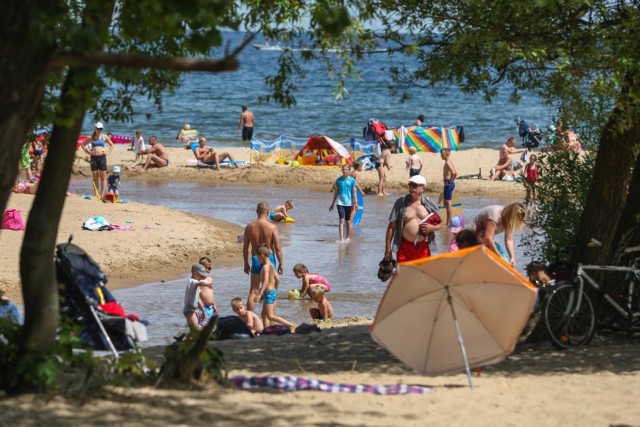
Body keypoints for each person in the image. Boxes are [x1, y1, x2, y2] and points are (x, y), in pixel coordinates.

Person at [384, 175, 442, 263]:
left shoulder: (430, 203)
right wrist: (388, 249)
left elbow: (441, 224)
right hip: (404, 248)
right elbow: (392, 226)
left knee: (422, 276)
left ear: (423, 188)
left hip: (424, 247)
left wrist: (432, 228)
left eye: (415, 185)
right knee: (403, 275)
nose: (411, 187)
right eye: (410, 184)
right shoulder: (400, 203)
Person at [242, 201, 284, 312]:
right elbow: (278, 248)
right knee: (271, 289)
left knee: (253, 290)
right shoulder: (272, 227)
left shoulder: (249, 227)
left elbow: (245, 248)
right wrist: (281, 264)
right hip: (268, 259)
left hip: (255, 258)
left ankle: (250, 317)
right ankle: (270, 317)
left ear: (257, 211)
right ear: (268, 212)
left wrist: (246, 263)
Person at [471, 203, 526, 267]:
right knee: (498, 259)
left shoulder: (510, 221)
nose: (515, 222)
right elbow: (488, 238)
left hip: (485, 239)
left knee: (505, 261)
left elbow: (509, 239)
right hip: (473, 236)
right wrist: (498, 256)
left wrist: (512, 257)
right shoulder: (495, 214)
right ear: (511, 215)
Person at [255, 244, 294, 330]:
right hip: (272, 291)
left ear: (262, 255)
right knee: (263, 314)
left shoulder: (265, 267)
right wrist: (274, 290)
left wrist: (260, 294)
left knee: (271, 316)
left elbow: (265, 282)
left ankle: (290, 325)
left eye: (257, 257)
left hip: (269, 293)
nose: (257, 259)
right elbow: (277, 279)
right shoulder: (271, 265)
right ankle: (267, 330)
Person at [81, 122, 114, 197]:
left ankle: (102, 194)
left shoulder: (104, 136)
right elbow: (83, 145)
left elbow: (112, 145)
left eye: (101, 129)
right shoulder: (91, 137)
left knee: (103, 177)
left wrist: (107, 152)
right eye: (98, 128)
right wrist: (88, 152)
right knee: (95, 177)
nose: (99, 130)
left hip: (102, 157)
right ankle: (96, 194)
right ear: (95, 128)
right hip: (94, 158)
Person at [329, 164, 358, 242]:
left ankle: (347, 237)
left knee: (347, 221)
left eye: (346, 170)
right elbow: (336, 192)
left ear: (348, 171)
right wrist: (332, 204)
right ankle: (341, 239)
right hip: (340, 202)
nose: (344, 171)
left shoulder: (352, 180)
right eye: (343, 169)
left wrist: (356, 203)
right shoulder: (338, 180)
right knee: (341, 220)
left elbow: (354, 192)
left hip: (348, 203)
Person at [183, 263, 213, 330]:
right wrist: (207, 284)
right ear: (194, 272)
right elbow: (200, 283)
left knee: (196, 328)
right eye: (201, 275)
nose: (202, 277)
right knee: (196, 329)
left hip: (193, 310)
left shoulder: (196, 286)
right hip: (189, 310)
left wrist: (202, 310)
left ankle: (185, 337)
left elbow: (197, 299)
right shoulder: (192, 281)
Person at [196, 256, 218, 327]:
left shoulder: (210, 279)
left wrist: (214, 305)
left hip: (210, 307)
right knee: (202, 325)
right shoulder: (199, 281)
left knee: (211, 326)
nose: (208, 270)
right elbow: (197, 296)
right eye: (206, 268)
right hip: (203, 307)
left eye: (210, 268)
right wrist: (201, 309)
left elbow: (211, 294)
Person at [440, 147, 458, 225]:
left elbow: (454, 173)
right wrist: (452, 180)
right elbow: (455, 172)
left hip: (448, 183)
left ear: (446, 154)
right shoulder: (449, 161)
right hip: (449, 183)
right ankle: (449, 219)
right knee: (445, 202)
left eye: (442, 154)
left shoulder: (447, 162)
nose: (441, 155)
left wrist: (450, 180)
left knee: (448, 203)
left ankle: (449, 222)